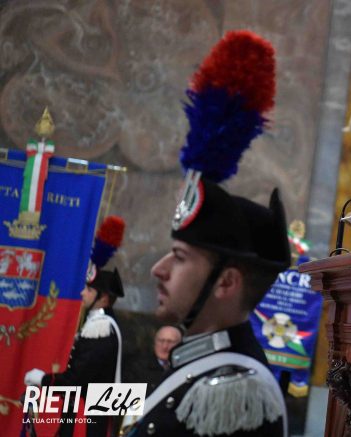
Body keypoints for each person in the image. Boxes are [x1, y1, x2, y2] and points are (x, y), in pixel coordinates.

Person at [125, 30, 289, 437]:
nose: (159, 269)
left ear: (227, 282)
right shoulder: (196, 364)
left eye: (180, 257)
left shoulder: (235, 392)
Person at [23, 215, 126, 437]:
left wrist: (43, 379)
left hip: (90, 419)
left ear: (104, 298)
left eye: (88, 289)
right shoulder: (99, 325)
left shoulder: (102, 329)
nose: (82, 293)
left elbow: (77, 379)